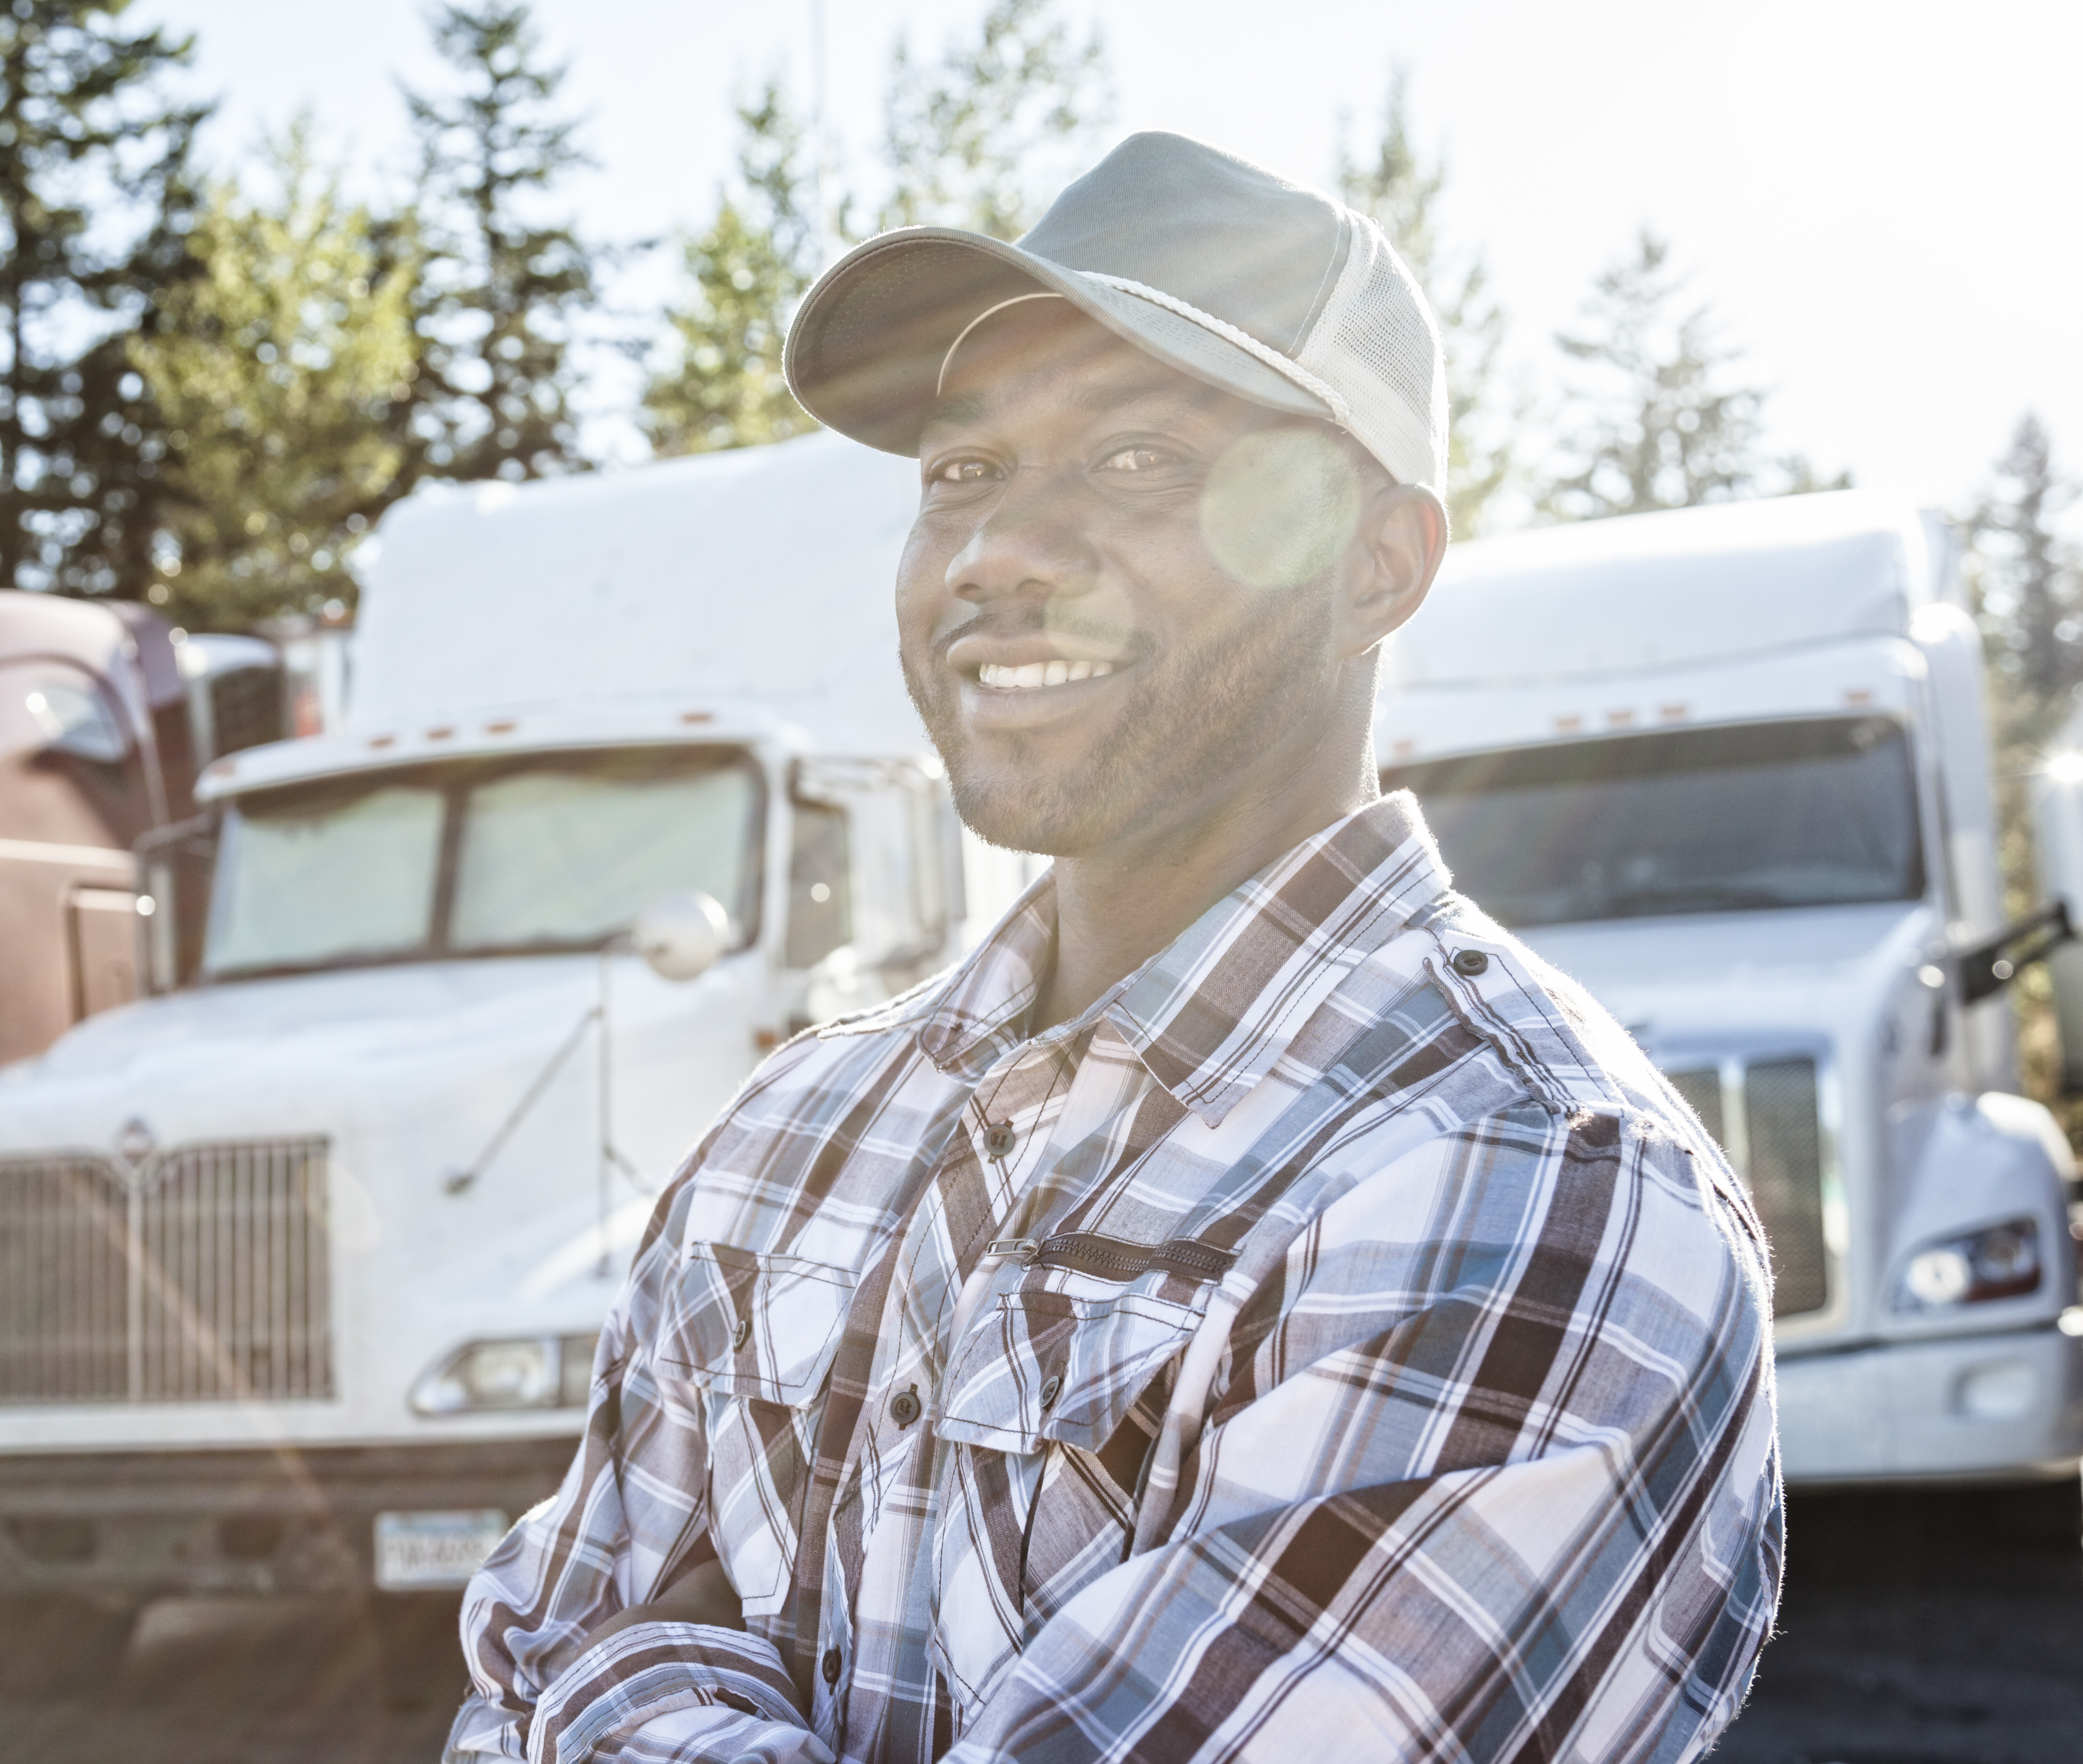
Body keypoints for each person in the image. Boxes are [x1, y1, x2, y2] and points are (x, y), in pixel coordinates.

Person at [445, 132, 1780, 1764]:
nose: (997, 549)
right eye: (963, 473)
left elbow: (567, 1667)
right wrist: (596, 1667)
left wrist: (630, 1692)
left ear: (1374, 568)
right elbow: (523, 1657)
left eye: (1141, 462)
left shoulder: (1528, 1187)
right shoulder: (786, 1141)